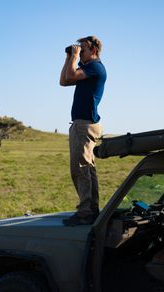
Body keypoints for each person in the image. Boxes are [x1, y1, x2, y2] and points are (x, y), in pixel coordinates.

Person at [60, 36, 107, 226]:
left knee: (80, 169)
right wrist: (69, 56)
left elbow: (70, 76)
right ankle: (92, 209)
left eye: (84, 49)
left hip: (84, 124)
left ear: (94, 50)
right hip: (85, 122)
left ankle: (86, 213)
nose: (81, 52)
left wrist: (75, 55)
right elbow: (64, 81)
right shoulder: (88, 69)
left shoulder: (95, 67)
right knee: (88, 168)